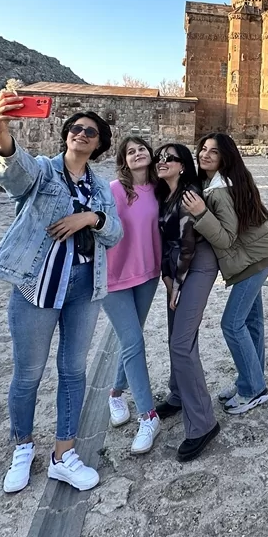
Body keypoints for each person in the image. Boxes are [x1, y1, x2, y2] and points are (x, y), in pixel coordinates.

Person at [0, 93, 122, 494]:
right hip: (38, 285)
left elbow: (114, 232)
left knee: (73, 370)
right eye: (76, 129)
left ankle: (63, 455)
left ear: (99, 144)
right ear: (66, 136)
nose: (81, 134)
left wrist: (90, 217)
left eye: (90, 132)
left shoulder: (100, 188)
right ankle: (22, 448)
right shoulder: (44, 172)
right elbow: (13, 171)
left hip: (84, 287)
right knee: (28, 373)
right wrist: (0, 128)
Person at [182, 133, 268, 416]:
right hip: (259, 254)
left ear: (225, 156)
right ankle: (251, 380)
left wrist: (200, 213)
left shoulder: (220, 190)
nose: (205, 154)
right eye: (203, 149)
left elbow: (225, 238)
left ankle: (253, 390)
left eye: (214, 151)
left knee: (232, 324)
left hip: (253, 260)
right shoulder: (222, 181)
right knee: (252, 322)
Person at [152, 142, 223, 462]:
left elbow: (187, 243)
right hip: (177, 269)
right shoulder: (164, 193)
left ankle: (203, 424)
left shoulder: (188, 194)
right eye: (159, 157)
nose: (161, 161)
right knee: (174, 334)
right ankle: (179, 393)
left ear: (183, 165)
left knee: (182, 342)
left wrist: (176, 283)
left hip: (196, 266)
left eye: (170, 158)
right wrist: (168, 279)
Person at [101, 136, 162, 455]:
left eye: (142, 149)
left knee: (131, 339)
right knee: (134, 342)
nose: (138, 154)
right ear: (124, 160)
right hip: (112, 279)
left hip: (147, 275)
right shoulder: (112, 190)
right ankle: (149, 415)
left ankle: (115, 393)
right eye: (131, 151)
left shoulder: (160, 189)